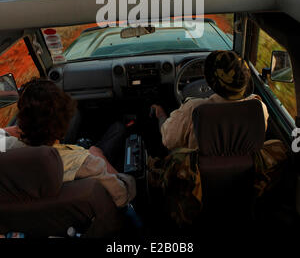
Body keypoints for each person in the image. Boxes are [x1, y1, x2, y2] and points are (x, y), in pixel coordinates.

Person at [3, 78, 136, 208]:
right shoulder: (88, 164)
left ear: (21, 120)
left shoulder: (9, 149)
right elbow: (123, 195)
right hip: (98, 214)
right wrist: (100, 157)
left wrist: (21, 129)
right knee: (118, 130)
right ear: (63, 123)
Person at [152, 50, 269, 150]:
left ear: (209, 81)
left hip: (200, 174)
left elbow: (168, 140)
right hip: (244, 173)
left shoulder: (193, 109)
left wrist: (161, 115)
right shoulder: (259, 108)